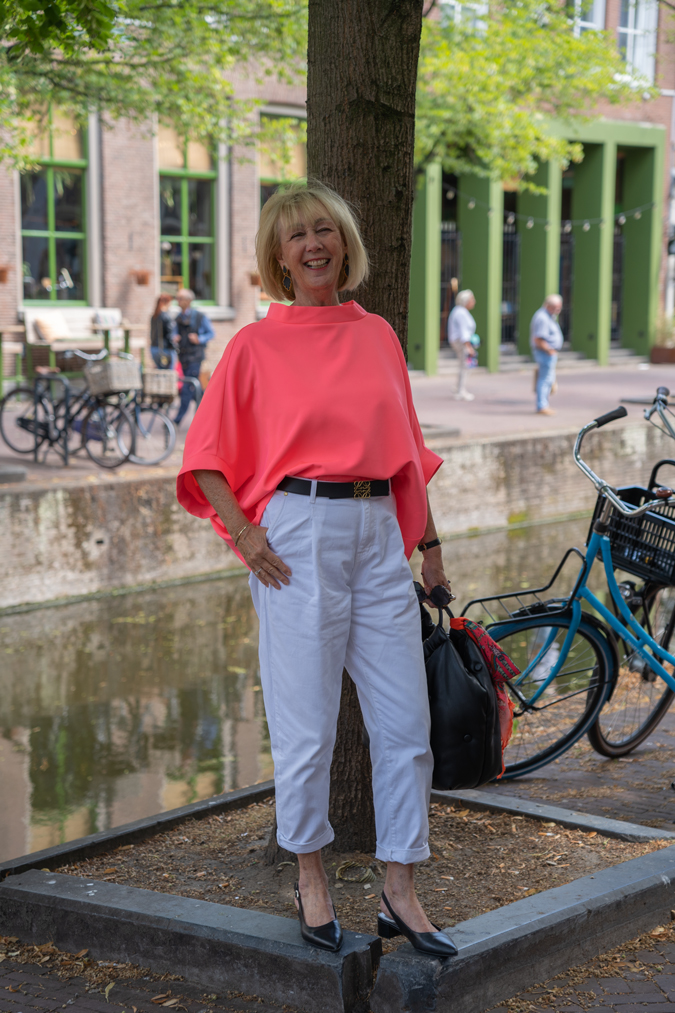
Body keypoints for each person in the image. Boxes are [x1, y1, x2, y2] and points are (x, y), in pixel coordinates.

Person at [176, 179, 457, 959]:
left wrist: (430, 551)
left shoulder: (377, 336)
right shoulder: (255, 346)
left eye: (324, 229)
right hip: (296, 535)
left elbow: (407, 456)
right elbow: (204, 461)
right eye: (296, 234)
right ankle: (311, 876)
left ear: (343, 242)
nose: (312, 244)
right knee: (306, 729)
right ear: (277, 254)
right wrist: (244, 533)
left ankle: (400, 889)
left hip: (378, 533)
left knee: (405, 726)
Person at [173, 288, 215, 426]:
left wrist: (199, 339)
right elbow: (173, 334)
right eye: (177, 298)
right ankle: (205, 417)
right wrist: (175, 338)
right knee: (197, 390)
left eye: (180, 298)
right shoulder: (178, 318)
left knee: (187, 386)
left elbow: (211, 333)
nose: (178, 301)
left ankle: (177, 420)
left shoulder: (200, 317)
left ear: (188, 300)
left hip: (196, 358)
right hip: (184, 358)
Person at [530, 294, 563, 416]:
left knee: (548, 379)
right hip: (545, 353)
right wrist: (549, 350)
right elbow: (538, 339)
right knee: (545, 379)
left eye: (560, 307)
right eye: (556, 307)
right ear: (548, 305)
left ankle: (544, 404)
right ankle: (542, 405)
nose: (558, 310)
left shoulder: (549, 316)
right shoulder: (542, 317)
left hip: (548, 353)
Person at [447, 289, 477, 401]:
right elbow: (464, 332)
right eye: (472, 299)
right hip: (461, 343)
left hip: (461, 342)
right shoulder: (461, 313)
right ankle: (461, 391)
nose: (474, 302)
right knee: (465, 366)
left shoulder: (460, 311)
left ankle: (459, 388)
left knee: (464, 366)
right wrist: (468, 347)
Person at [150, 293, 177, 369]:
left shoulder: (154, 316)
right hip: (164, 349)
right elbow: (169, 335)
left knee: (160, 373)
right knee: (169, 374)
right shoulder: (166, 316)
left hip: (154, 348)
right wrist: (174, 347)